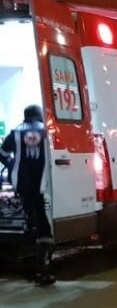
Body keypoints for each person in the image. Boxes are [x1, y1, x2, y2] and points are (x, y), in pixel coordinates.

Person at [0, 105, 55, 285]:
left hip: (22, 184)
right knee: (44, 226)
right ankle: (43, 271)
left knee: (30, 220)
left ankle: (30, 266)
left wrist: (12, 164)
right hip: (43, 184)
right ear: (39, 116)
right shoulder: (47, 131)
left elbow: (2, 152)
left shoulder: (16, 131)